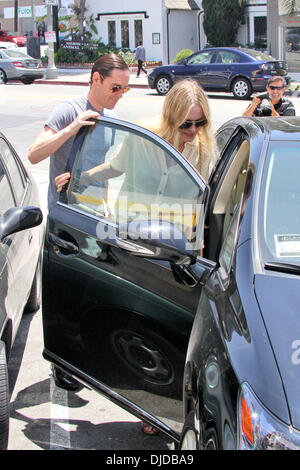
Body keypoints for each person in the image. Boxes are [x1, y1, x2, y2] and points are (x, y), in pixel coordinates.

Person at [54, 78, 217, 434]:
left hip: (172, 255)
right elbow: (113, 168)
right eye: (186, 123)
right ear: (170, 117)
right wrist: (77, 179)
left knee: (163, 332)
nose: (193, 131)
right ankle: (142, 404)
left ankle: (161, 406)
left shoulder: (205, 153)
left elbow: (208, 211)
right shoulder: (142, 137)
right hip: (131, 247)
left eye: (199, 123)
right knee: (132, 324)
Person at [28, 53, 130, 392]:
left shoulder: (109, 121)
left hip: (93, 218)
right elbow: (35, 153)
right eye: (115, 87)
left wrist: (108, 209)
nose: (119, 95)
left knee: (90, 295)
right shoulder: (69, 110)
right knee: (64, 296)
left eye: (125, 90)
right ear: (95, 79)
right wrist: (73, 127)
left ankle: (81, 361)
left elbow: (103, 171)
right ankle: (61, 364)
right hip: (64, 221)